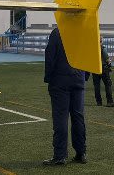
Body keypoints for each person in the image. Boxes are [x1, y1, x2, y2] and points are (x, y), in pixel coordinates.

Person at [43, 28, 87, 165]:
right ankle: (81, 153)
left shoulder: (57, 32)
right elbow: (89, 54)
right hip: (78, 78)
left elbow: (50, 55)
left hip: (60, 80)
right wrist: (84, 76)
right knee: (78, 117)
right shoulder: (82, 32)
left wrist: (49, 77)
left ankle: (60, 155)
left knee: (60, 118)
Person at [91, 40, 114, 107]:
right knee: (108, 84)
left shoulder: (92, 48)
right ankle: (110, 102)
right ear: (101, 41)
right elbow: (106, 58)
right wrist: (109, 62)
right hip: (103, 68)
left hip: (95, 68)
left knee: (96, 86)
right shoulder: (102, 47)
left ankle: (99, 102)